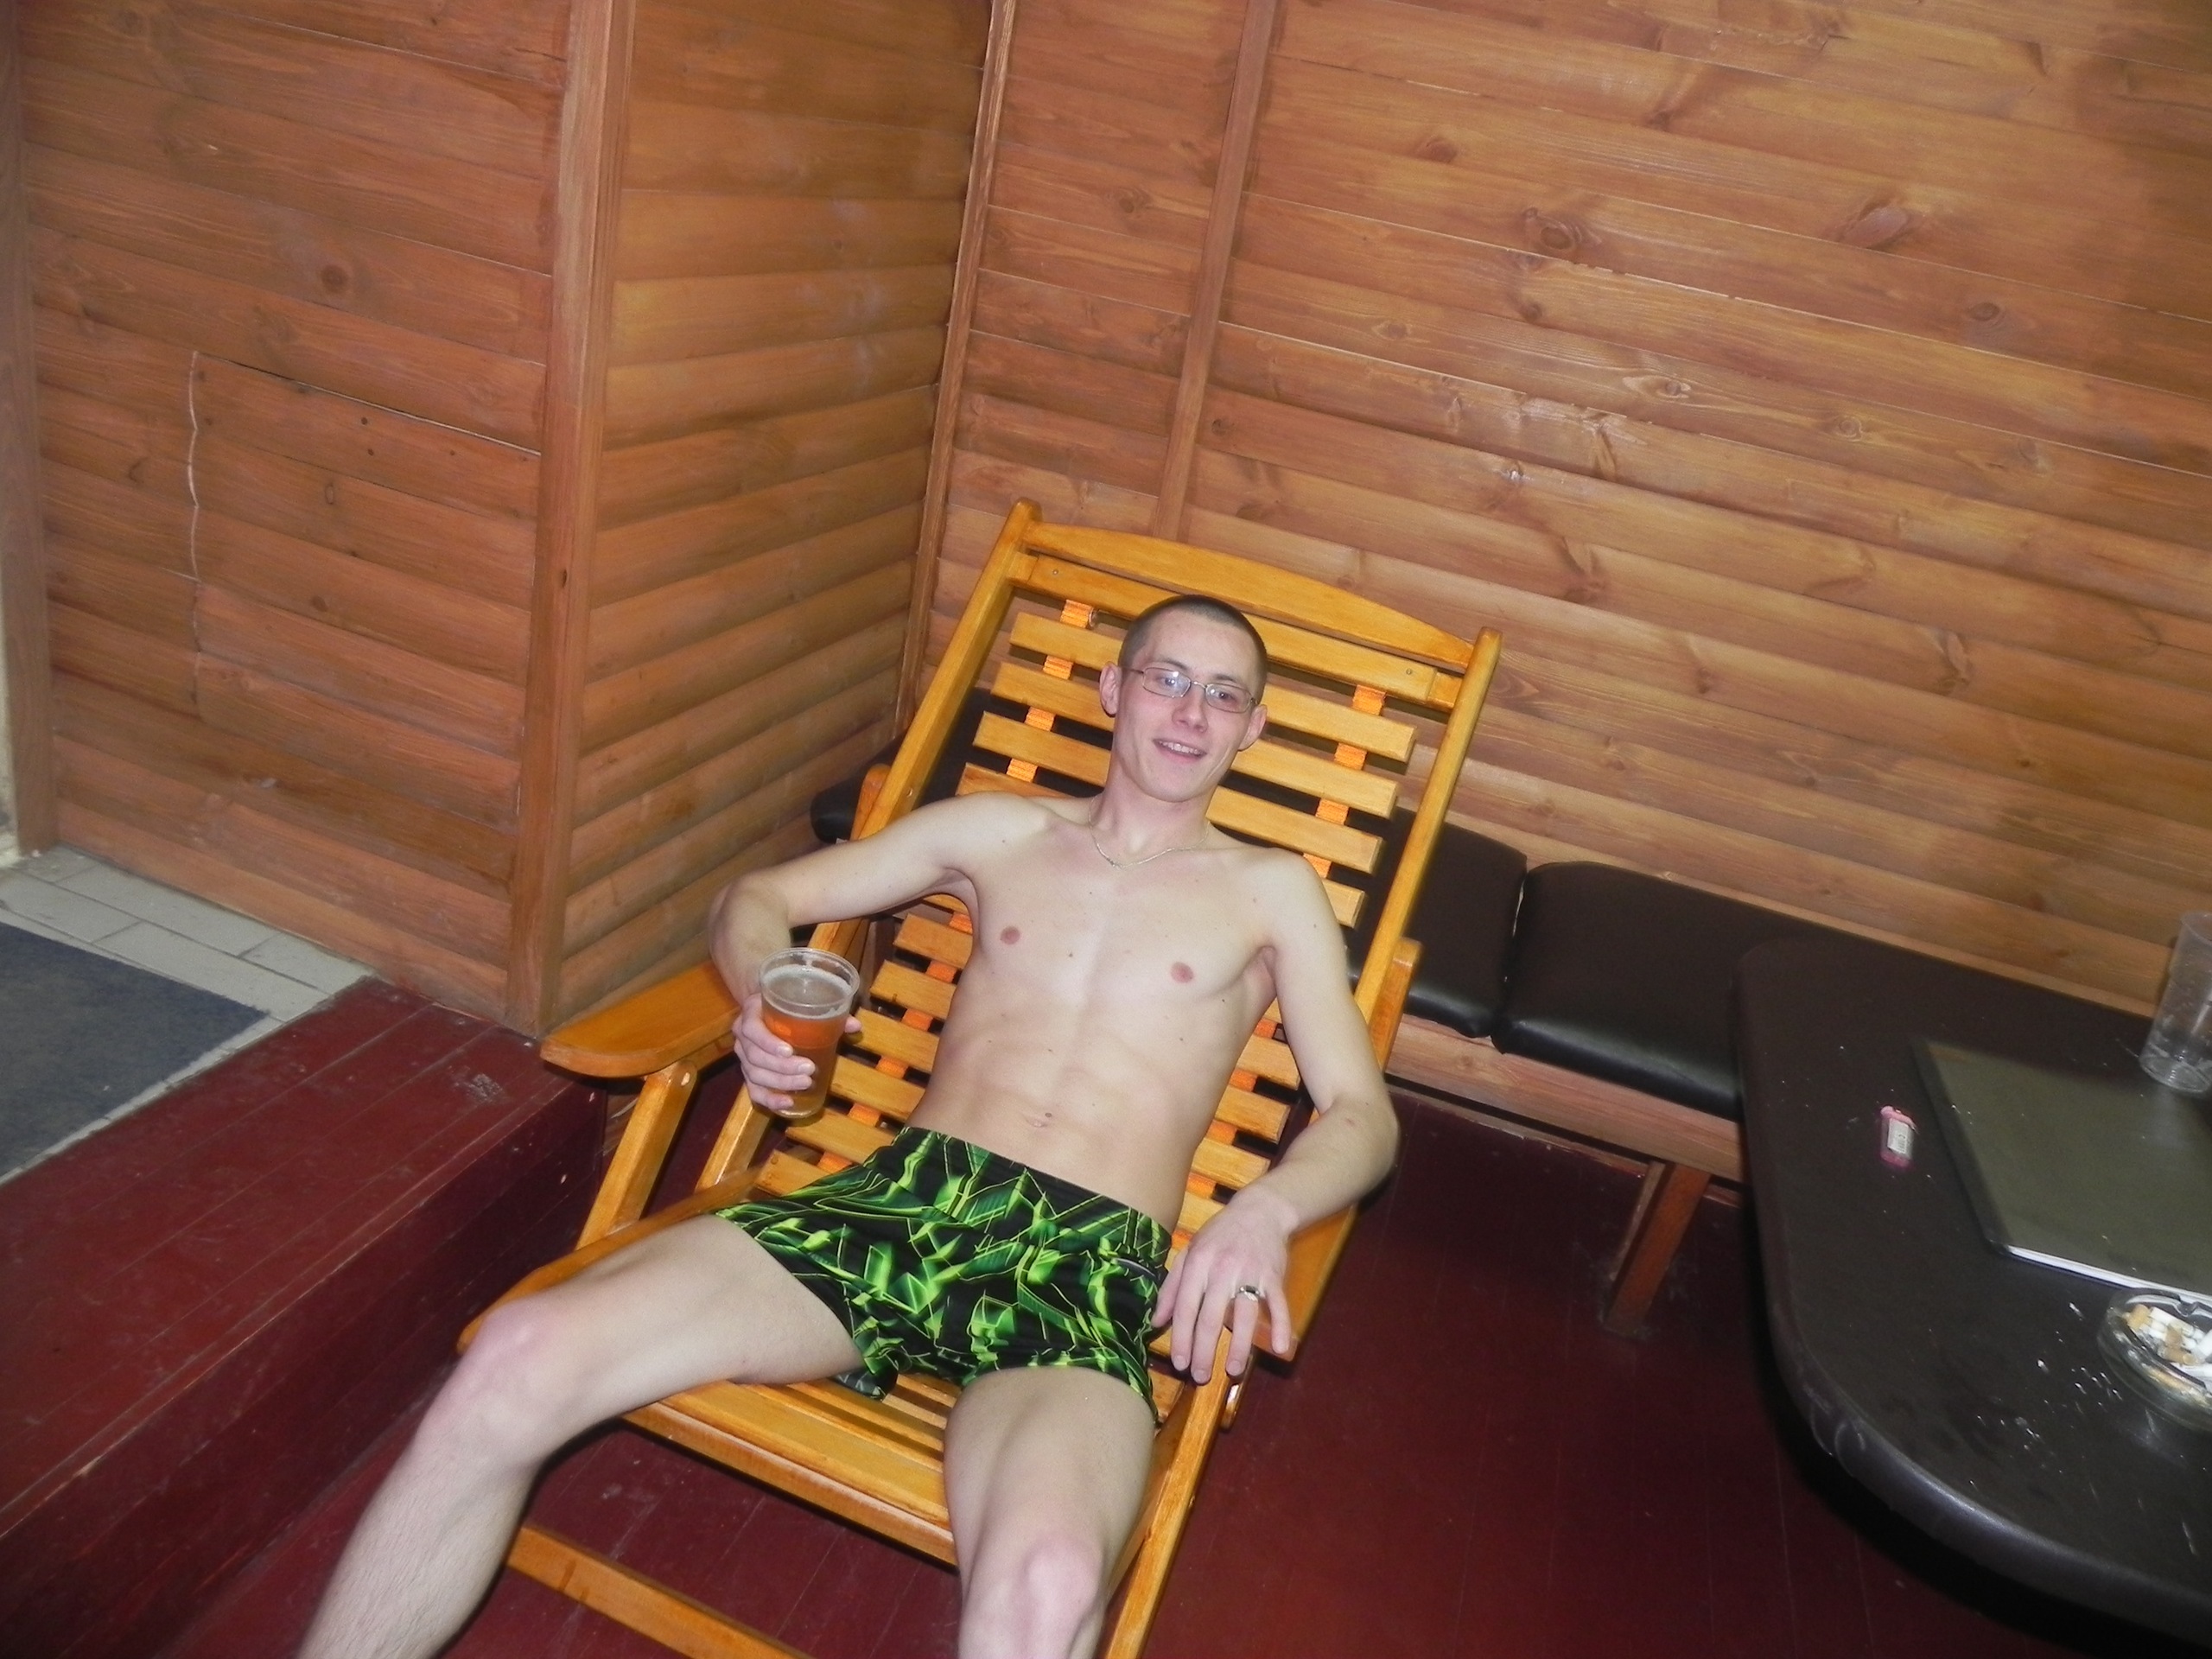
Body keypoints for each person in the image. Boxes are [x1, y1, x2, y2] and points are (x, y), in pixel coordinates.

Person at [299, 596, 1400, 1659]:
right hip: (894, 1210)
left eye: (1222, 694)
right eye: (1167, 679)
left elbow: (1362, 1114)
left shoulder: (1271, 892)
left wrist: (1267, 1209)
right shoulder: (998, 830)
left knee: (1051, 1587)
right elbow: (756, 899)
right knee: (517, 1355)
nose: (1190, 713)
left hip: (1080, 1274)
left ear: (1252, 728)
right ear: (1114, 689)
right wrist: (762, 994)